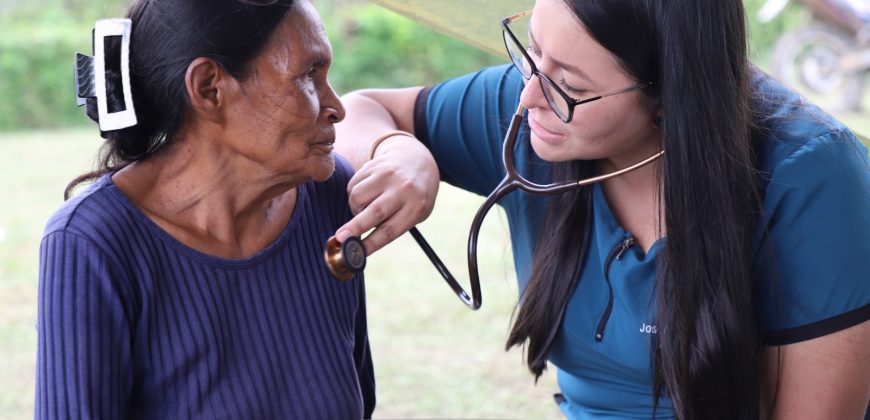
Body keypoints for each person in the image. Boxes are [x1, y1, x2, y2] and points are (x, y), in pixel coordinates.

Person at [333, 0, 870, 418]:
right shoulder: (531, 111)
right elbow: (361, 109)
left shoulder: (813, 178)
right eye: (531, 49)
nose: (528, 96)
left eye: (569, 85)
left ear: (671, 97)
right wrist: (394, 149)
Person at [36, 0, 375, 418]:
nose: (337, 107)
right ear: (210, 88)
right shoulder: (93, 243)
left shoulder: (330, 193)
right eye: (308, 75)